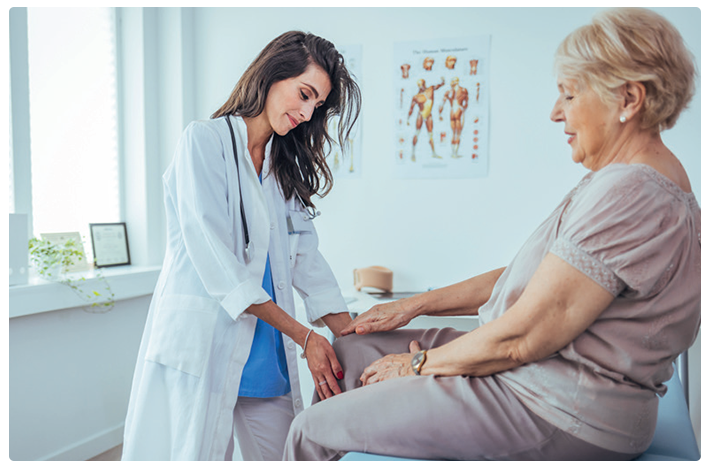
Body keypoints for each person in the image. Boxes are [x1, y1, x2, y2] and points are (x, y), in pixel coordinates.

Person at [283, 8, 699, 461]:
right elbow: (539, 278)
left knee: (311, 429)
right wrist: (411, 306)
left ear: (629, 99)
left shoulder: (634, 193)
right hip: (534, 373)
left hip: (557, 404)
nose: (556, 113)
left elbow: (523, 337)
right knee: (351, 352)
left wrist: (417, 365)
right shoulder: (625, 179)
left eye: (570, 94)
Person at [121, 31, 361, 461]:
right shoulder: (203, 142)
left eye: (317, 106)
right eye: (304, 94)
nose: (307, 113)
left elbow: (307, 260)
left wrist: (354, 334)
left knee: (289, 456)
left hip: (265, 352)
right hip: (203, 346)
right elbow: (219, 264)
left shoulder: (281, 168)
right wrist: (307, 338)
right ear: (272, 75)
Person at [407, 77, 446, 160]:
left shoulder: (430, 89)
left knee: (430, 134)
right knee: (417, 133)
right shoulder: (416, 97)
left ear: (424, 84)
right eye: (419, 85)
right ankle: (413, 153)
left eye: (421, 84)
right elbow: (411, 109)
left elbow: (438, 86)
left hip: (428, 115)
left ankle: (434, 153)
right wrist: (408, 118)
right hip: (420, 115)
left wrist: (443, 82)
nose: (421, 86)